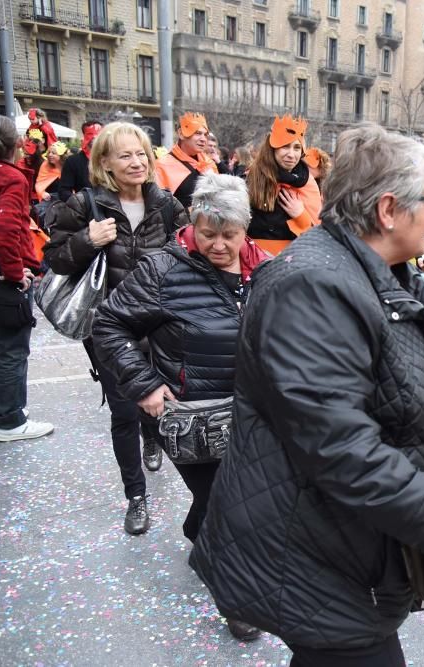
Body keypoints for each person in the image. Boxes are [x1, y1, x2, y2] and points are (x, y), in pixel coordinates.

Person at [189, 123, 424, 666]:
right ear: (389, 210)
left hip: (340, 542)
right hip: (310, 548)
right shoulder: (312, 286)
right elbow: (339, 448)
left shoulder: (376, 272)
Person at [92, 173, 266, 641]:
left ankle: (199, 531)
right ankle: (236, 597)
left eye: (230, 235)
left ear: (245, 228)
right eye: (208, 233)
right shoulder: (162, 269)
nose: (219, 245)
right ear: (192, 223)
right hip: (193, 417)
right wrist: (144, 383)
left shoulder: (265, 269)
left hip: (251, 415)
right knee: (226, 508)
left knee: (235, 505)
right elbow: (108, 324)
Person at [44, 122, 189, 536]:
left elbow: (191, 256)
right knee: (124, 410)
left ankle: (151, 436)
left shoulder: (165, 205)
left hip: (161, 326)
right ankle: (136, 497)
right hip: (108, 328)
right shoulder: (85, 205)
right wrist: (87, 240)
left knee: (157, 405)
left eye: (142, 153)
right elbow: (54, 260)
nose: (136, 162)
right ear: (104, 161)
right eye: (125, 155)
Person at [0, 116, 53, 442]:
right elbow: (5, 229)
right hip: (0, 270)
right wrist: (13, 272)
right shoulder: (10, 178)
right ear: (15, 145)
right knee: (11, 348)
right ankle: (10, 420)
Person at [246, 115, 322, 255]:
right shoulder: (252, 178)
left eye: (297, 148)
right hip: (253, 260)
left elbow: (319, 237)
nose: (291, 154)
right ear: (272, 148)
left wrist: (300, 215)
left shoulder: (307, 183)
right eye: (285, 146)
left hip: (291, 261)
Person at [154, 112, 218, 209]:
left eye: (205, 135)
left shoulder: (208, 163)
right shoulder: (162, 166)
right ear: (181, 134)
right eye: (197, 133)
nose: (203, 139)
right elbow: (158, 207)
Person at [59, 120, 101, 199]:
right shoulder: (73, 161)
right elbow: (64, 191)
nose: (95, 137)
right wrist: (80, 202)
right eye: (90, 134)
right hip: (85, 208)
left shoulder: (110, 160)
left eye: (99, 134)